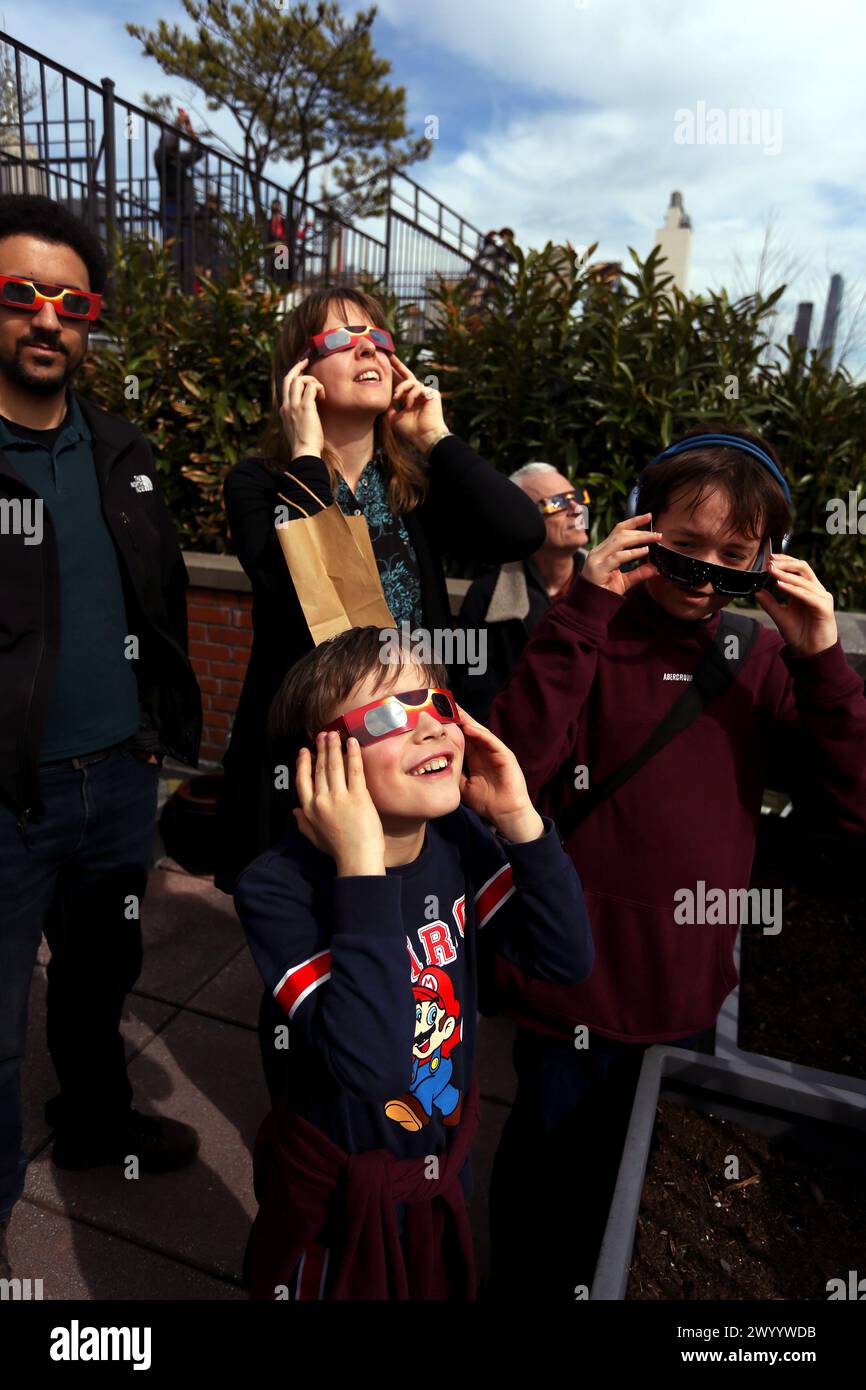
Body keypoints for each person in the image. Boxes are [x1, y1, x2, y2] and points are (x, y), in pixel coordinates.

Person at [487, 427, 866, 1299]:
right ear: (640, 529)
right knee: (545, 1182)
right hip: (571, 982)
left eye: (733, 558)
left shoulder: (761, 657)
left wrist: (821, 658)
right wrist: (582, 610)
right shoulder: (588, 632)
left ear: (769, 560)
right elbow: (513, 764)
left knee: (635, 1192)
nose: (702, 578)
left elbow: (851, 802)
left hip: (685, 987)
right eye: (682, 549)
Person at [233, 625, 593, 1299]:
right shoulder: (279, 887)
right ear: (322, 765)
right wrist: (362, 868)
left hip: (441, 1162)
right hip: (341, 1202)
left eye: (437, 703)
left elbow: (565, 958)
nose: (429, 727)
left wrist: (518, 817)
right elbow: (373, 1067)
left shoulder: (456, 836)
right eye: (390, 716)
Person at [0, 194, 202, 1279]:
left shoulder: (121, 452)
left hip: (118, 782)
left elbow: (158, 599)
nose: (45, 318)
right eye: (19, 295)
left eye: (68, 301)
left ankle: (95, 1122)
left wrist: (158, 744)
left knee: (96, 976)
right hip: (10, 796)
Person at [216, 286, 544, 903]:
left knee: (417, 923)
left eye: (378, 337)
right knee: (312, 932)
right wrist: (307, 454)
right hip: (320, 755)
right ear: (299, 373)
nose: (367, 346)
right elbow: (288, 593)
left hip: (413, 737)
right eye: (340, 338)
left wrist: (437, 438)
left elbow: (520, 531)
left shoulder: (411, 487)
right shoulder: (259, 483)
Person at [455, 462, 590, 721]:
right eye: (558, 503)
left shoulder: (611, 585)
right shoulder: (485, 596)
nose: (576, 510)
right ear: (521, 519)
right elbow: (474, 691)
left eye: (577, 497)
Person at [154, 107, 205, 292]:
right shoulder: (160, 157)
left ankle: (184, 293)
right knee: (171, 253)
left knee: (187, 255)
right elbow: (168, 142)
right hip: (169, 206)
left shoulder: (180, 159)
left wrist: (190, 130)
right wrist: (178, 123)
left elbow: (199, 152)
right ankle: (169, 291)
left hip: (184, 209)